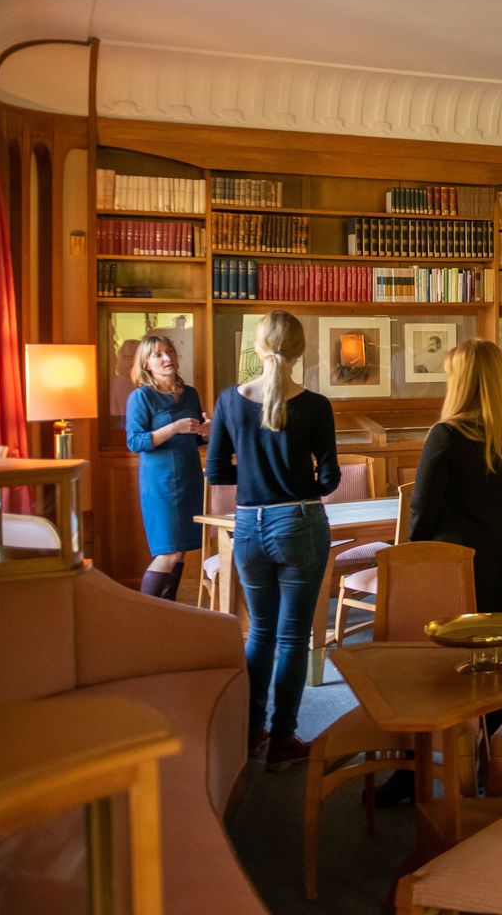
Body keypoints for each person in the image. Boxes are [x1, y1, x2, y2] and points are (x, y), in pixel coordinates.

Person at [206, 310, 340, 769]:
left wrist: (257, 476)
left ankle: (249, 732)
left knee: (259, 631)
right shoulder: (316, 405)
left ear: (258, 347)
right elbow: (330, 480)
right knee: (292, 637)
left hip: (247, 525)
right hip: (299, 521)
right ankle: (283, 740)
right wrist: (296, 480)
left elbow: (217, 472)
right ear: (301, 350)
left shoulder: (228, 401)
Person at [409, 339, 502, 617]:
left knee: (462, 648)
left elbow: (424, 506)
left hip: (462, 559)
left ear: (461, 382)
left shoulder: (447, 435)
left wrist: (416, 550)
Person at [124, 335, 209, 600]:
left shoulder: (190, 393)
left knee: (181, 550)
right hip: (160, 481)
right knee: (168, 550)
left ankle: (166, 612)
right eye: (158, 354)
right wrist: (173, 428)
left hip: (189, 476)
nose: (167, 358)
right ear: (146, 364)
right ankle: (144, 613)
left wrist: (207, 431)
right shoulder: (141, 397)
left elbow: (195, 437)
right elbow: (135, 441)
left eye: (169, 351)